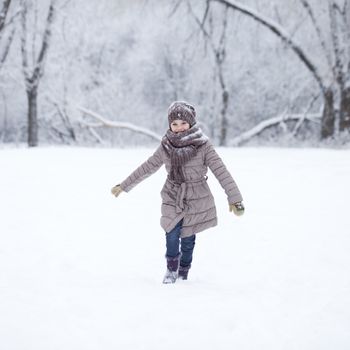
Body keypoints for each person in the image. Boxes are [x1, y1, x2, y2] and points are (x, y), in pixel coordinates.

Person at [111, 101, 244, 284]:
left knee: (188, 238)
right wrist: (124, 185)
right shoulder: (166, 146)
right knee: (171, 231)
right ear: (169, 125)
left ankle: (184, 271)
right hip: (172, 193)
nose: (179, 127)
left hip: (196, 195)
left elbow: (221, 171)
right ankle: (171, 269)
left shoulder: (203, 146)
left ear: (191, 123)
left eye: (183, 123)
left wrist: (235, 199)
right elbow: (148, 166)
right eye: (174, 124)